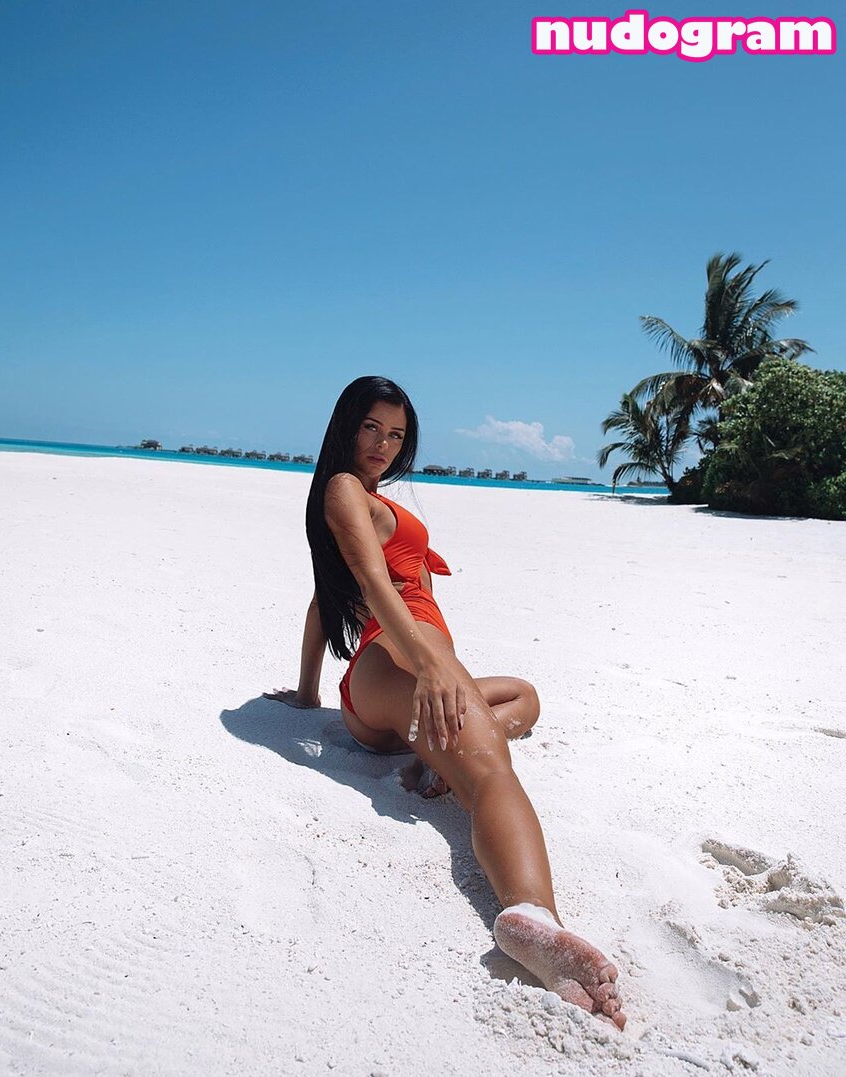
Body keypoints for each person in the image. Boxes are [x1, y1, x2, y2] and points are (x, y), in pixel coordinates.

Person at [265, 376, 625, 1029]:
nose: (382, 444)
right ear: (346, 426)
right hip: (401, 657)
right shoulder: (344, 488)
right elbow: (371, 582)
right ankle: (532, 918)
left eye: (395, 434)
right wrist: (430, 665)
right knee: (489, 772)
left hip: (381, 695)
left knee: (524, 697)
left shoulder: (367, 498)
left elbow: (323, 599)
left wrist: (310, 691)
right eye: (371, 427)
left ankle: (431, 754)